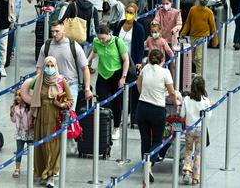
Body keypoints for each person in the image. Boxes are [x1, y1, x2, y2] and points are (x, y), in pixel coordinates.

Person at [19, 57, 73, 188]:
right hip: (40, 117)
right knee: (40, 146)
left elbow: (70, 101)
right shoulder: (39, 80)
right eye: (47, 65)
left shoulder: (61, 81)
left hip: (55, 118)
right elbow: (29, 93)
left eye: (51, 65)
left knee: (53, 146)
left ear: (56, 66)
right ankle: (43, 172)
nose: (49, 68)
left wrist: (60, 104)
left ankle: (51, 174)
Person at [136, 49, 179, 183]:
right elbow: (171, 92)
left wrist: (146, 94)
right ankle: (150, 164)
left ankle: (145, 164)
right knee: (157, 140)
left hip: (142, 108)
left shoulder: (145, 68)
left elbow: (139, 86)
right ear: (162, 60)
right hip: (157, 110)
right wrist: (176, 102)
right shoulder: (165, 72)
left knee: (145, 139)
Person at [36, 21, 92, 110]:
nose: (54, 34)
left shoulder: (74, 46)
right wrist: (37, 87)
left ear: (64, 31)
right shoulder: (46, 46)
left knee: (69, 115)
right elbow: (39, 68)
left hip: (70, 85)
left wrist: (87, 89)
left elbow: (85, 68)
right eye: (52, 31)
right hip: (51, 86)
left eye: (57, 31)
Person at [86, 25, 130, 140]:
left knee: (117, 102)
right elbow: (94, 52)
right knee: (101, 102)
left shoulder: (117, 42)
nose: (101, 41)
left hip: (116, 74)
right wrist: (87, 61)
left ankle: (116, 127)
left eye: (103, 39)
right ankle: (103, 126)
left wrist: (123, 77)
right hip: (102, 74)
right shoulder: (96, 41)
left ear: (108, 34)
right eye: (99, 38)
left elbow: (126, 60)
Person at [180, 76, 211, 185]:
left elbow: (182, 114)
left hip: (189, 129)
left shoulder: (187, 100)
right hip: (200, 129)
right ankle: (195, 177)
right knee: (198, 153)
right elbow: (208, 117)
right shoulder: (206, 101)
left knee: (189, 150)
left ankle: (187, 170)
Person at [180, 0, 218, 75]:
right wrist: (183, 33)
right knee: (193, 57)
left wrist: (215, 40)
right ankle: (198, 73)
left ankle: (199, 75)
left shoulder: (209, 12)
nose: (206, 1)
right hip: (193, 36)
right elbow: (188, 23)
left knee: (199, 57)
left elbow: (213, 27)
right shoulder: (192, 10)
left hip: (203, 37)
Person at [10, 90, 32, 179]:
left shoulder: (30, 107)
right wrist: (12, 112)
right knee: (19, 150)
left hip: (30, 132)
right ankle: (17, 169)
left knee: (32, 151)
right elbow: (14, 120)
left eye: (20, 95)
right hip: (20, 132)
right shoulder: (15, 107)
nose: (17, 97)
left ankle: (32, 168)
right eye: (16, 95)